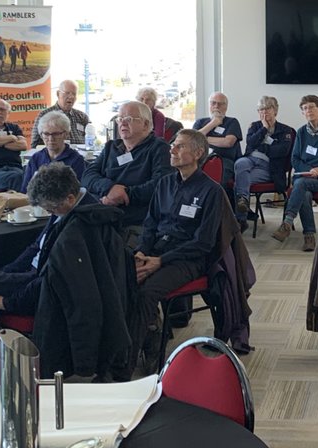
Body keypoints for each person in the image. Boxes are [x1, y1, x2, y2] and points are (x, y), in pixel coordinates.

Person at [0, 163, 97, 319]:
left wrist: (9, 302)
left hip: (43, 285)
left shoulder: (82, 225)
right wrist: (7, 271)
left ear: (70, 199)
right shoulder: (65, 205)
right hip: (36, 273)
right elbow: (36, 247)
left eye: (50, 209)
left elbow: (55, 279)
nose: (48, 212)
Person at [133, 129, 224, 372]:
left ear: (197, 154)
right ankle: (150, 331)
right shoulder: (164, 183)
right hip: (157, 252)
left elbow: (203, 243)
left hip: (189, 258)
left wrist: (160, 261)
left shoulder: (211, 191)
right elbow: (150, 224)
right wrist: (142, 253)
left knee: (146, 292)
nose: (172, 149)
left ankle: (139, 355)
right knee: (121, 280)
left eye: (179, 146)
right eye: (173, 144)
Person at [80, 100, 171, 246]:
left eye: (128, 119)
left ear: (146, 124)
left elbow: (161, 184)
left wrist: (124, 195)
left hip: (135, 220)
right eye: (120, 119)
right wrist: (109, 188)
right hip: (102, 213)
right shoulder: (111, 147)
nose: (122, 123)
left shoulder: (159, 148)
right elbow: (87, 176)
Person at [272, 95, 318, 252]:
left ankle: (287, 222)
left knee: (300, 184)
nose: (308, 111)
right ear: (302, 113)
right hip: (305, 176)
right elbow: (295, 159)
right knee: (303, 191)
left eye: (311, 107)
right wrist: (309, 170)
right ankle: (309, 236)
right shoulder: (301, 132)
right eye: (305, 108)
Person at [232, 95, 295, 229]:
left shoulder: (285, 130)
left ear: (275, 111)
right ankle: (243, 202)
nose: (264, 112)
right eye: (261, 109)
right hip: (249, 160)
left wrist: (263, 147)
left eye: (268, 108)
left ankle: (241, 220)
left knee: (240, 181)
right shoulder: (254, 126)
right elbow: (251, 143)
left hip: (269, 168)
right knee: (239, 164)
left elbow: (282, 151)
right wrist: (264, 129)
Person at [21, 111, 87, 192]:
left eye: (56, 134)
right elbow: (25, 191)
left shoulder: (76, 159)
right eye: (46, 134)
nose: (51, 138)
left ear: (66, 134)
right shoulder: (36, 158)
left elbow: (77, 192)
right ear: (41, 135)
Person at [193, 92, 243, 183]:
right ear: (209, 105)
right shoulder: (200, 122)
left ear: (226, 107)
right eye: (213, 103)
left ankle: (218, 197)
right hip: (201, 159)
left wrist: (204, 139)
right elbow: (193, 140)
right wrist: (213, 123)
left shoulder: (232, 122)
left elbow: (228, 142)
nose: (216, 106)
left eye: (220, 104)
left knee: (216, 173)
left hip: (224, 160)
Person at [30, 80, 90, 147]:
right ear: (58, 94)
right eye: (67, 93)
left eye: (74, 94)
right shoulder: (44, 115)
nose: (71, 97)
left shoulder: (82, 117)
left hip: (80, 156)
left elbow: (91, 141)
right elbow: (35, 144)